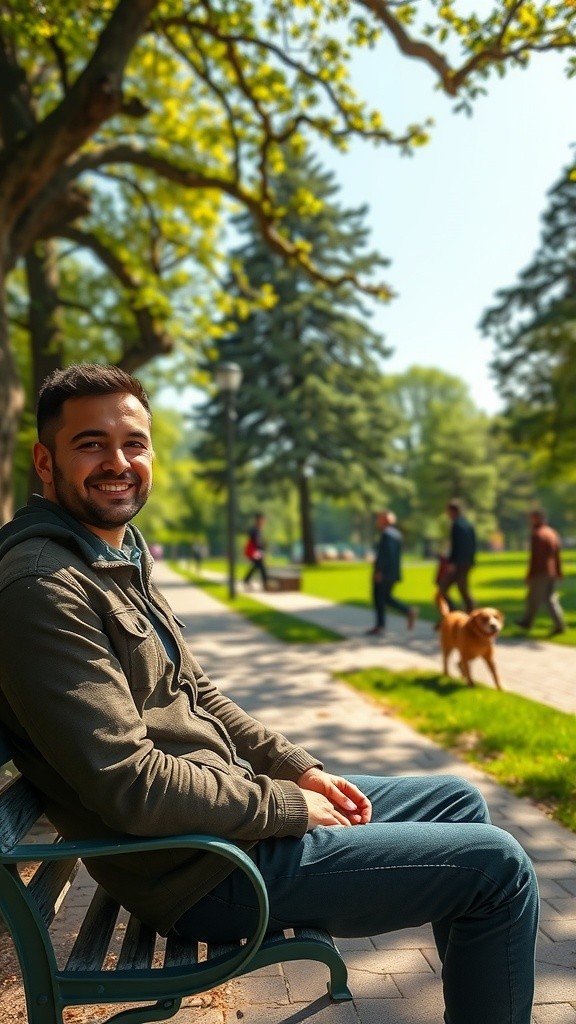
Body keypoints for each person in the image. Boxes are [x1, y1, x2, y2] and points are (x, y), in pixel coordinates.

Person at [0, 365, 539, 1024]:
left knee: (458, 798)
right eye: (92, 443)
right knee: (498, 871)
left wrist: (299, 768)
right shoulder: (44, 589)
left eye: (133, 443)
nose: (118, 461)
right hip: (200, 871)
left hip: (220, 822)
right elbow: (132, 785)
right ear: (44, 461)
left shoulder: (113, 556)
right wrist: (289, 805)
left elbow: (196, 691)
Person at [515, 507, 566, 636]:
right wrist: (559, 571)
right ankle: (556, 624)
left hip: (540, 571)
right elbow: (557, 555)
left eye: (531, 518)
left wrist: (530, 574)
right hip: (551, 571)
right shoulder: (552, 533)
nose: (529, 521)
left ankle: (528, 622)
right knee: (547, 598)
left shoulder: (538, 534)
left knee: (535, 598)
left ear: (537, 518)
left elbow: (535, 558)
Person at [366, 510, 417, 636]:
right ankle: (407, 611)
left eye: (379, 518)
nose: (377, 520)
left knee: (379, 598)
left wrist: (379, 571)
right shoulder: (396, 535)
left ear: (385, 520)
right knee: (386, 597)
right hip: (393, 573)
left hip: (384, 574)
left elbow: (385, 556)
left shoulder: (387, 535)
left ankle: (381, 625)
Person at [438, 498, 477, 613]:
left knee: (443, 588)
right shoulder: (468, 524)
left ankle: (456, 613)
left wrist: (452, 562)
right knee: (462, 589)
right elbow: (473, 544)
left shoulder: (456, 525)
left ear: (452, 511)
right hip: (467, 562)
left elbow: (456, 546)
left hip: (458, 563)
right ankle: (468, 611)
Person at [243, 511, 268, 590]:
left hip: (256, 552)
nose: (263, 522)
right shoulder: (255, 530)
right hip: (254, 552)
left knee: (257, 566)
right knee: (260, 565)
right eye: (262, 520)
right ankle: (265, 583)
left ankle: (247, 580)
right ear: (258, 520)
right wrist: (261, 550)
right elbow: (256, 542)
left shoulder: (257, 530)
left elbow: (259, 542)